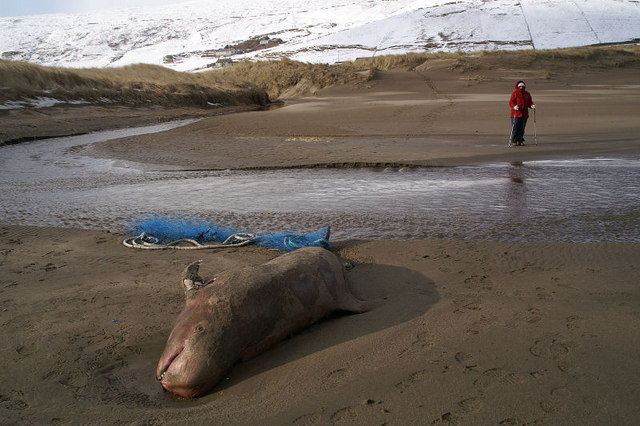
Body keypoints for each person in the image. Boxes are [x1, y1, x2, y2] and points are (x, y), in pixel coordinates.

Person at [509, 80, 536, 146]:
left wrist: (532, 106)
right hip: (516, 114)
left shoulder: (527, 94)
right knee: (515, 128)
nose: (521, 87)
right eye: (520, 86)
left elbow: (529, 102)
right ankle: (514, 141)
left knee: (522, 128)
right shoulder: (515, 93)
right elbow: (511, 102)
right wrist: (514, 106)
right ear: (517, 86)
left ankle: (520, 140)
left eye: (522, 86)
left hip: (524, 114)